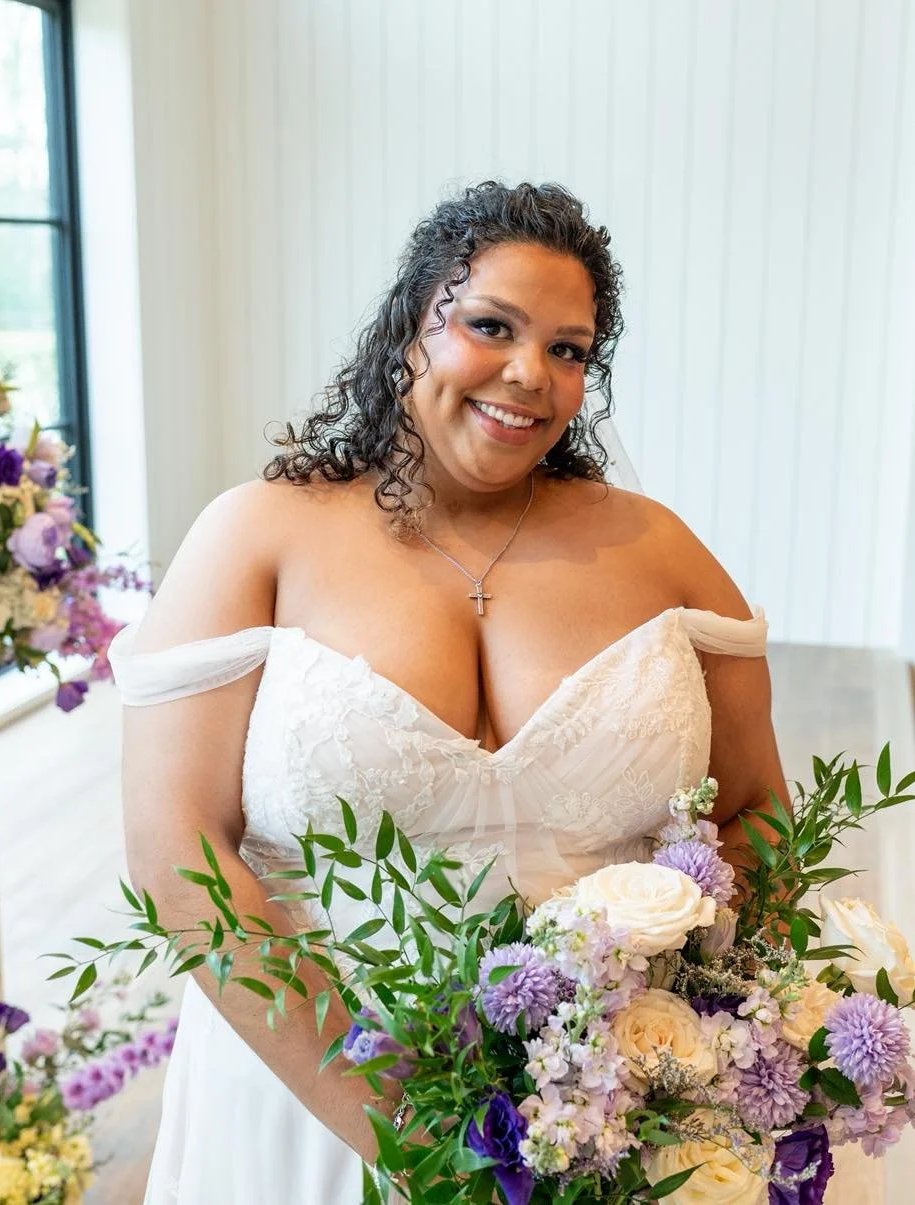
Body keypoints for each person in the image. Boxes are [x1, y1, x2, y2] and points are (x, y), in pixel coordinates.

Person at [109, 180, 785, 1204]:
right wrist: (399, 1129)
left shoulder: (660, 551)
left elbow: (762, 812)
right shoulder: (258, 535)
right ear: (409, 327)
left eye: (569, 349)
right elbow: (178, 854)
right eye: (489, 325)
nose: (530, 375)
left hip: (594, 1114)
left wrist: (658, 1038)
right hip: (310, 1101)